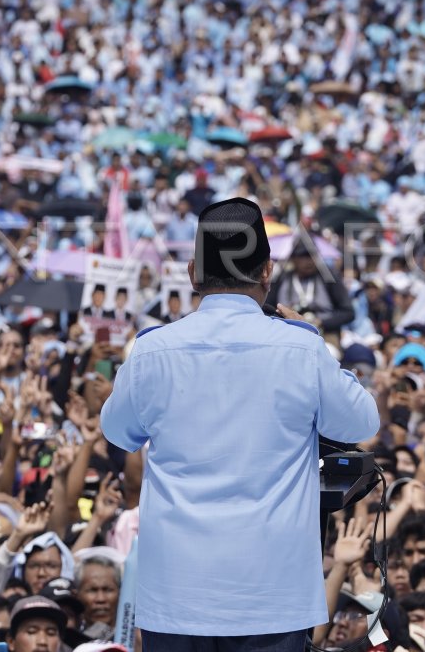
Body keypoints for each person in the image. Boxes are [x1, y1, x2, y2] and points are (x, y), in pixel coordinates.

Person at [101, 197, 379, 650]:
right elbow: (361, 420)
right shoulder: (302, 349)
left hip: (177, 596)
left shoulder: (152, 350)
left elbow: (117, 432)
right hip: (272, 596)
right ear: (267, 271)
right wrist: (311, 336)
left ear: (193, 272)